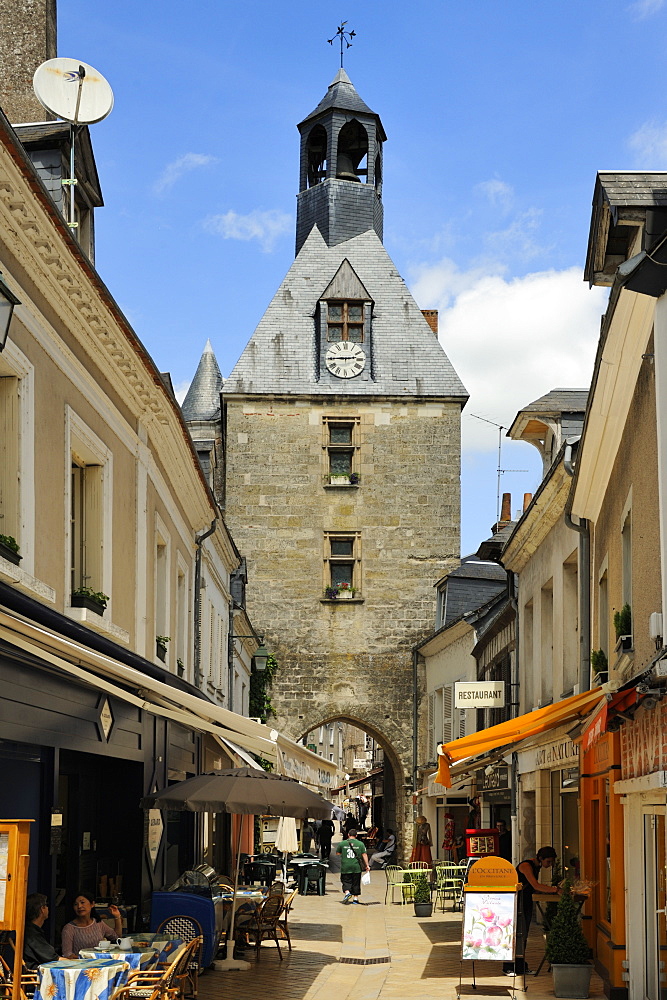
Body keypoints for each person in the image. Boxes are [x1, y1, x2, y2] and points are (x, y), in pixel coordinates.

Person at [503, 846, 560, 976]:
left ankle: (520, 966)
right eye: (548, 862)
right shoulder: (526, 866)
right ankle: (508, 966)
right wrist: (555, 890)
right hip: (518, 902)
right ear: (541, 858)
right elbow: (535, 885)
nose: (549, 865)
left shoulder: (537, 866)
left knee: (523, 935)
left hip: (526, 901)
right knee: (515, 934)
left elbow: (534, 888)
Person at [61, 892, 122, 958]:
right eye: (76, 904)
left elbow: (117, 937)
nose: (79, 906)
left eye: (82, 902)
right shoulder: (69, 928)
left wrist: (117, 917)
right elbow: (67, 954)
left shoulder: (98, 923)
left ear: (92, 904)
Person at [23, 893, 62, 969]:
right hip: (39, 973)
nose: (48, 908)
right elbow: (55, 959)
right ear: (42, 909)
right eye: (46, 906)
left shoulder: (31, 930)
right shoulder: (32, 934)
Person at [335, 827, 370, 904]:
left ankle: (347, 893)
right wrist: (367, 865)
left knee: (345, 880)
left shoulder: (342, 843)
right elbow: (364, 855)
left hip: (345, 866)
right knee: (356, 882)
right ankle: (355, 899)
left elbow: (337, 853)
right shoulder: (360, 844)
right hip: (356, 867)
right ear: (356, 835)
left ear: (348, 835)